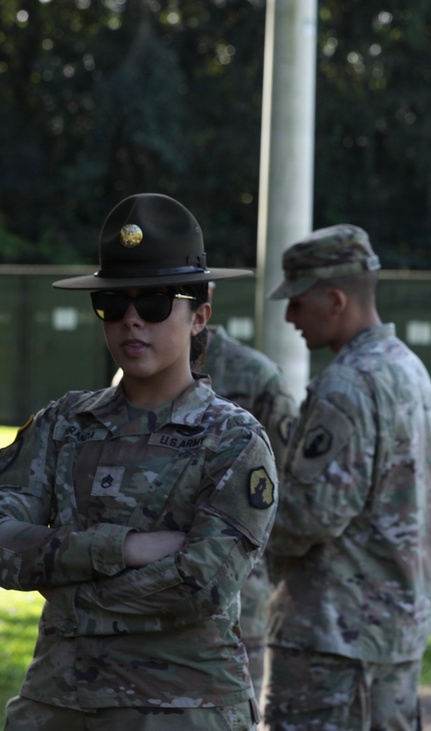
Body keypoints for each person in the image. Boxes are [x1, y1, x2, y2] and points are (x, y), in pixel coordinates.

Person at [0, 193, 279, 730]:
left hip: (181, 709)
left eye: (155, 303)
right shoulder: (63, 423)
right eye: (113, 304)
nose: (132, 321)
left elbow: (203, 583)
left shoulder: (232, 439)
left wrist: (67, 595)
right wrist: (124, 548)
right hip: (57, 704)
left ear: (199, 314)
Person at [262, 224, 431, 730]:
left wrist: (229, 510)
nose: (289, 315)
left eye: (297, 301)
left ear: (335, 300)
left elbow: (306, 516)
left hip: (333, 645)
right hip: (388, 635)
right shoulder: (407, 368)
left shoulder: (347, 385)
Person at [111, 280, 299, 701]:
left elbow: (282, 482)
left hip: (231, 602)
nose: (137, 316)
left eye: (158, 300)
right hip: (127, 610)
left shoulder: (256, 374)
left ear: (203, 304)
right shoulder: (133, 366)